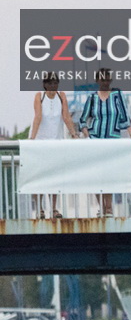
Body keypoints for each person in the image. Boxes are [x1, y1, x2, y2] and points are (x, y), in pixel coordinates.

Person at [79, 68, 131, 217]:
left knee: (108, 174)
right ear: (97, 81)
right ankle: (102, 207)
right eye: (102, 79)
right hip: (95, 139)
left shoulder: (117, 95)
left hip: (112, 139)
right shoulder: (92, 98)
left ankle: (109, 207)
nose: (105, 82)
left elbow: (125, 117)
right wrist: (86, 136)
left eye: (107, 79)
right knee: (95, 175)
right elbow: (82, 120)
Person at [29, 72, 77, 219]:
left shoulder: (61, 96)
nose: (52, 86)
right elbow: (38, 117)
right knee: (39, 176)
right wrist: (32, 139)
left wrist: (74, 135)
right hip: (40, 141)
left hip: (56, 140)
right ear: (44, 84)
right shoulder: (39, 96)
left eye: (55, 83)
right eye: (49, 83)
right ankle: (40, 209)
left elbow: (66, 116)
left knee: (54, 175)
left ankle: (54, 208)